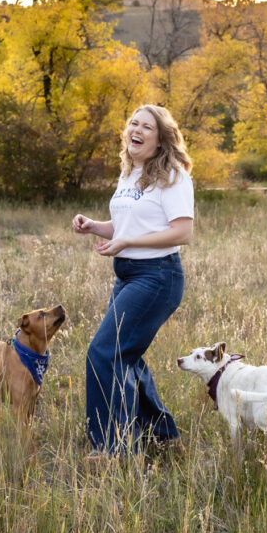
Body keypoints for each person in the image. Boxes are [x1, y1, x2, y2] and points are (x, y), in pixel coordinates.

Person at [72, 105, 194, 458]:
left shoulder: (172, 176)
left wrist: (128, 242)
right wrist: (95, 226)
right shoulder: (129, 173)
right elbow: (127, 226)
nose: (136, 130)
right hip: (127, 274)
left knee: (103, 352)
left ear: (161, 140)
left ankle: (110, 451)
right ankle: (163, 438)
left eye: (147, 127)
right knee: (127, 356)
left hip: (158, 276)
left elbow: (182, 232)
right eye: (132, 123)